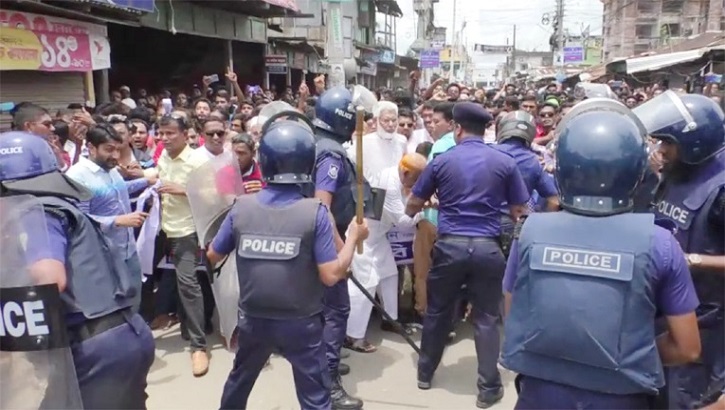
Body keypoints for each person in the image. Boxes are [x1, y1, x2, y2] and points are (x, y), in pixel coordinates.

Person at [500, 106, 702, 409]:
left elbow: (512, 310)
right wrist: (628, 355)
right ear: (636, 170)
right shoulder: (659, 243)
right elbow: (687, 348)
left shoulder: (530, 231)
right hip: (621, 397)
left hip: (540, 394)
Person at [206, 118, 370, 410]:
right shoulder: (315, 212)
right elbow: (332, 275)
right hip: (301, 323)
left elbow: (212, 256)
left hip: (254, 319)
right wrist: (353, 235)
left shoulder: (242, 207)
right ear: (307, 164)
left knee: (239, 381)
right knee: (315, 398)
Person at [0, 131, 155, 409]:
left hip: (96, 347)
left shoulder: (36, 213)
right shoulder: (56, 206)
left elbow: (48, 280)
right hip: (119, 339)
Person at [405, 102, 530, 408]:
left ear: (457, 128)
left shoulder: (441, 161)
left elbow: (411, 205)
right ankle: (488, 388)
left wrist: (436, 202)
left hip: (450, 246)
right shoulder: (503, 162)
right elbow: (519, 210)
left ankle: (425, 373)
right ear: (486, 129)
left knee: (438, 311)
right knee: (486, 318)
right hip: (488, 247)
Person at [635, 90, 725, 409]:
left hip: (705, 328)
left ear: (694, 143)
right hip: (665, 315)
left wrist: (691, 260)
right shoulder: (675, 174)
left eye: (667, 143)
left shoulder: (720, 187)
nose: (660, 150)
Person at [310, 85, 372, 410]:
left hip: (316, 243)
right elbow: (322, 207)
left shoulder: (315, 141)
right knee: (336, 311)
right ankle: (329, 384)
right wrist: (342, 249)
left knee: (323, 312)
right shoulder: (331, 153)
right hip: (326, 244)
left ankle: (324, 364)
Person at [494, 110, 559, 257]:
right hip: (513, 225)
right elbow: (554, 199)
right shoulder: (533, 161)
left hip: (480, 224)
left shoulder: (487, 152)